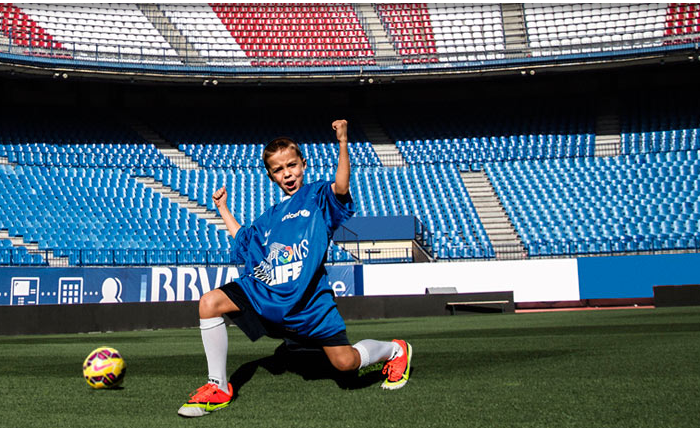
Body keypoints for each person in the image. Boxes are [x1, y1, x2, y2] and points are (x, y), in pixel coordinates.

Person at [178, 120, 412, 418]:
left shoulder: (319, 197)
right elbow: (245, 241)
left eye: (292, 165)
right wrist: (223, 208)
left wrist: (342, 142)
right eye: (278, 169)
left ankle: (395, 350)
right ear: (270, 175)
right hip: (270, 295)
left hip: (311, 305)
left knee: (346, 364)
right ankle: (218, 386)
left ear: (304, 164)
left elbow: (341, 187)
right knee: (210, 302)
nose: (287, 173)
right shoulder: (270, 217)